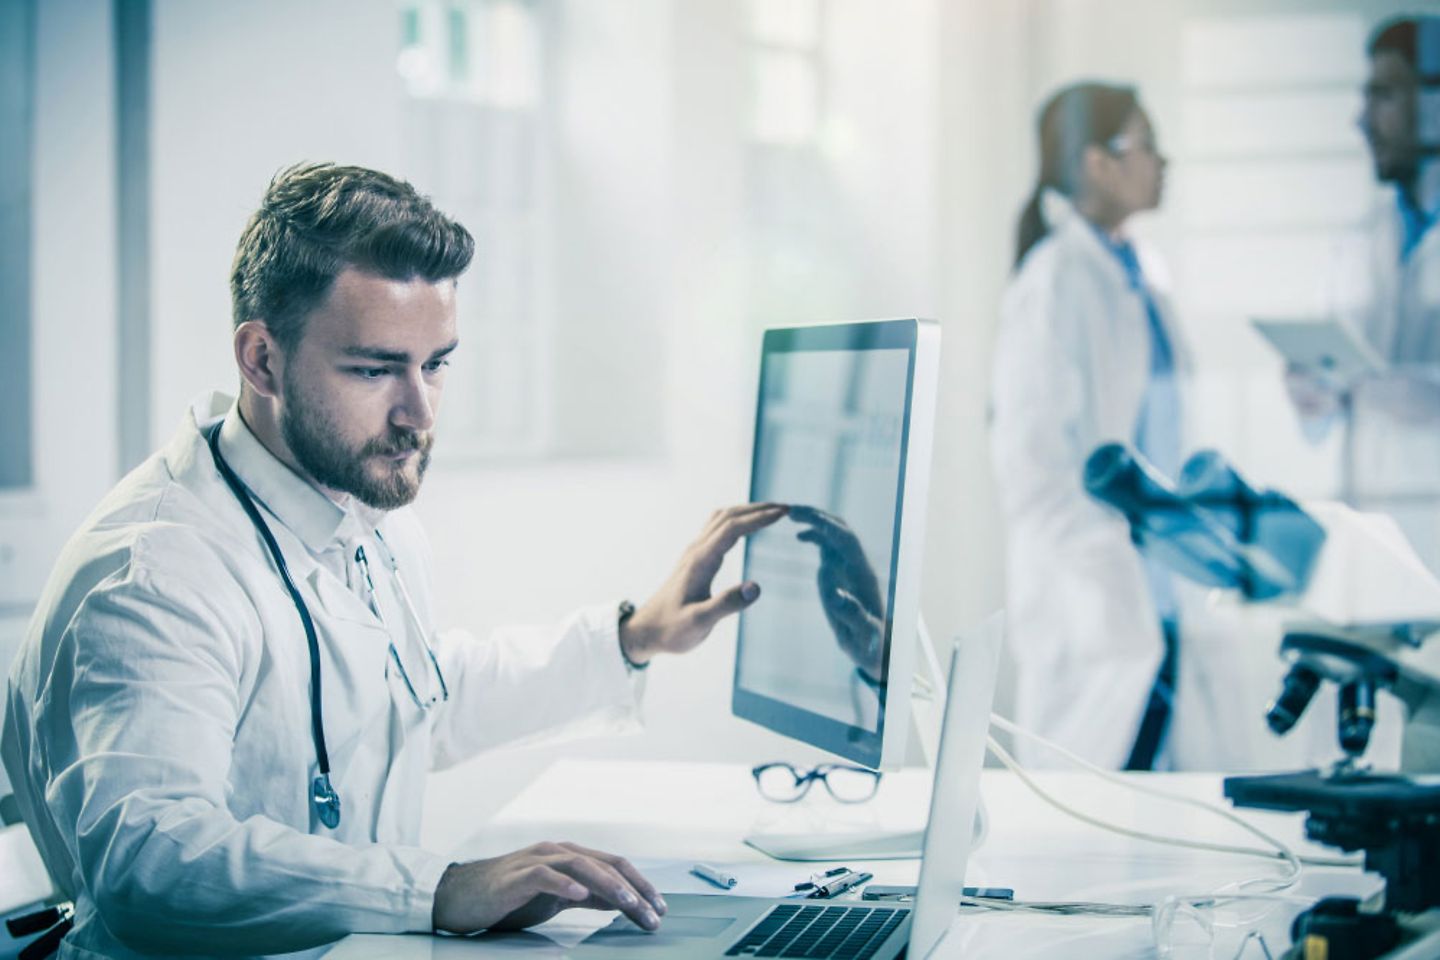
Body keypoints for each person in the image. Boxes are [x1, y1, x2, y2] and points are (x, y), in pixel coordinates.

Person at [1, 163, 786, 959]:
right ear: (262, 360)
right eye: (375, 370)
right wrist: (439, 888)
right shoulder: (158, 571)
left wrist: (630, 638)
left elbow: (411, 701)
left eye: (436, 363)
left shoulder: (363, 505)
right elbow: (149, 859)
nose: (418, 414)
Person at [990, 82, 1188, 770]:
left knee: (1156, 801)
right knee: (1089, 799)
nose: (1164, 161)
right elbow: (1032, 463)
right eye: (1147, 144)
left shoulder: (1138, 272)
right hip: (1095, 588)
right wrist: (1106, 563)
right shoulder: (1054, 279)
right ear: (1097, 164)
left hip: (1159, 574)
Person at [1286, 16, 1440, 575]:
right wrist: (1311, 391)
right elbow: (1326, 415)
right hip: (1373, 553)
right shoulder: (1360, 240)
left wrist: (1373, 384)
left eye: (1384, 96)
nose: (1363, 121)